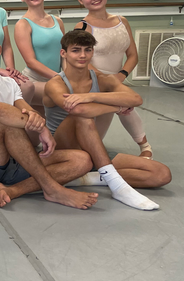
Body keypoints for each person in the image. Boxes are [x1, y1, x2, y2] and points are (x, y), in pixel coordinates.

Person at [0, 27, 98, 210]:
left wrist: (38, 122)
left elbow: (27, 110)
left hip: (12, 160)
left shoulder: (9, 83)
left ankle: (13, 190)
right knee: (6, 121)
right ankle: (52, 189)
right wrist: (42, 129)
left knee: (82, 160)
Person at [43, 30, 169, 210]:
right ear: (64, 53)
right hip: (64, 148)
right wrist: (117, 107)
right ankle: (117, 186)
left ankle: (85, 178)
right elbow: (79, 109)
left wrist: (91, 96)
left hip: (91, 146)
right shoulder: (56, 83)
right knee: (81, 116)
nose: (82, 55)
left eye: (88, 50)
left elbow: (136, 99)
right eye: (76, 50)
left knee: (160, 174)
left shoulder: (102, 79)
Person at [75, 0, 153, 158]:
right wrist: (107, 80)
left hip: (117, 79)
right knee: (92, 142)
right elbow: (83, 61)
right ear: (81, 1)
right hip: (93, 81)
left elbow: (132, 54)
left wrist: (121, 76)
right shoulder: (82, 27)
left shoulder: (122, 21)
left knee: (125, 103)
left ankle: (145, 146)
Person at [13, 0, 65, 113]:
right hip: (34, 81)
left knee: (43, 126)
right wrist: (59, 77)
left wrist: (66, 75)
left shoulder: (57, 21)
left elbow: (64, 54)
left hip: (56, 78)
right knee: (68, 96)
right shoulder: (23, 24)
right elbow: (30, 61)